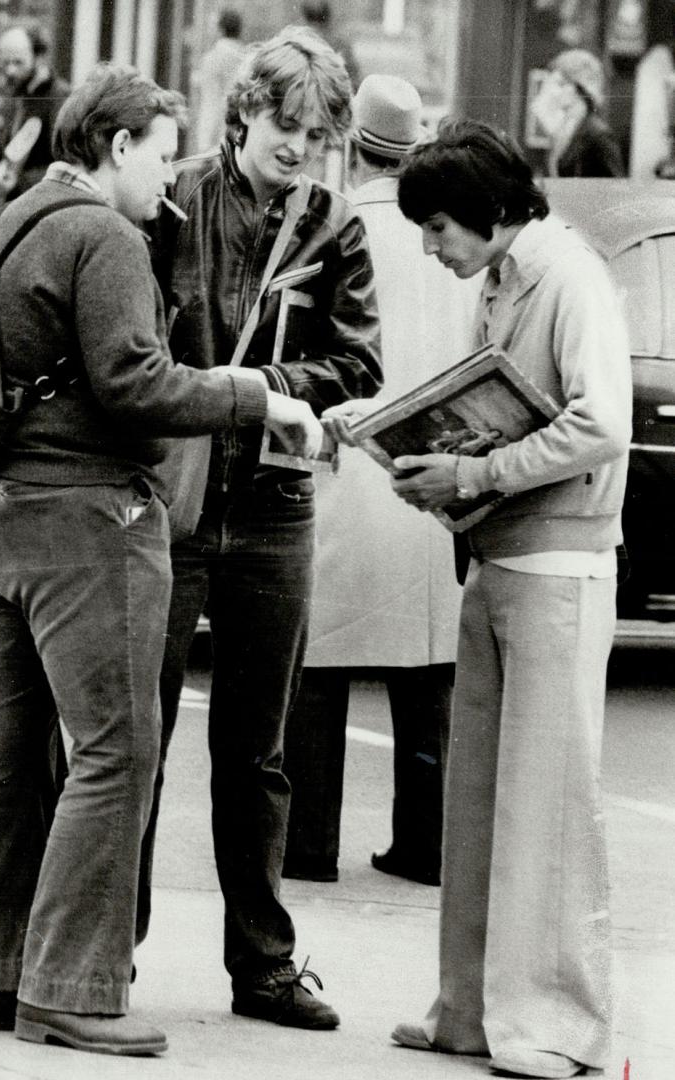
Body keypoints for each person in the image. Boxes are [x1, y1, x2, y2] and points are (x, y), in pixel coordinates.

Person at [0, 63, 323, 1057]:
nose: (169, 178)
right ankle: (68, 986)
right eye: (160, 153)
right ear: (115, 147)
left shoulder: (13, 215)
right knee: (115, 753)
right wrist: (256, 396)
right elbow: (133, 381)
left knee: (1, 756)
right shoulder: (104, 235)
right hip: (80, 520)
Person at [358, 117, 629, 1080]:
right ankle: (471, 1011)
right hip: (503, 562)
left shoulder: (568, 276)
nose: (431, 250)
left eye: (437, 228)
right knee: (479, 803)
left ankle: (557, 1026)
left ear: (484, 212)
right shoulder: (512, 277)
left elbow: (602, 422)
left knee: (547, 809)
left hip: (557, 568)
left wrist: (473, 477)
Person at [143, 25, 381, 1030]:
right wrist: (245, 393)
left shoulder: (333, 226)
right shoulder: (172, 201)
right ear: (245, 111)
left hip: (275, 506)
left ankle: (263, 963)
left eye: (317, 133)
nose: (296, 147)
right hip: (174, 499)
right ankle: (102, 948)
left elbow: (359, 365)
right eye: (284, 124)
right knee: (131, 740)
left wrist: (256, 388)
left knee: (258, 749)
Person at [281, 74, 475, 888]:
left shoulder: (335, 227)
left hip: (347, 464)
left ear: (351, 144)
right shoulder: (451, 236)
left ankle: (309, 844)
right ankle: (424, 845)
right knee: (428, 667)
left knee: (320, 665)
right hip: (431, 469)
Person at [0, 24, 70, 212]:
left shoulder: (60, 97)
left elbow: (66, 163)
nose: (10, 71)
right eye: (5, 62)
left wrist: (18, 183)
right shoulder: (19, 95)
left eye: (18, 62)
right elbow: (0, 154)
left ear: (39, 57)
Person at [530, 47, 625, 177]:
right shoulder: (567, 129)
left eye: (561, 84)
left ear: (580, 88)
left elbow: (614, 188)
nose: (553, 92)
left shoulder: (599, 136)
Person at [189, 8, 248, 155]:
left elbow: (210, 102)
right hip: (241, 133)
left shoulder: (213, 58)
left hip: (216, 135)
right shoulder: (246, 57)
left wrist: (204, 143)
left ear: (220, 29)